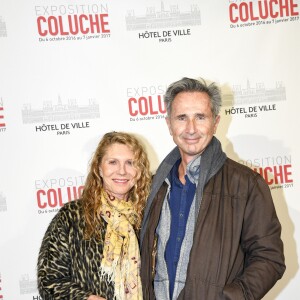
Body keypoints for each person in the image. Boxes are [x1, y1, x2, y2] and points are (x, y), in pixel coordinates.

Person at [140, 77, 285, 300]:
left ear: (215, 122)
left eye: (200, 117)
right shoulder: (154, 186)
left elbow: (269, 258)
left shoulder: (246, 185)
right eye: (181, 118)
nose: (191, 128)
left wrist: (230, 298)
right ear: (169, 124)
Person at [37, 131, 151, 300]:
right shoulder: (71, 217)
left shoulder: (149, 216)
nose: (122, 171)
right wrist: (87, 298)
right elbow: (49, 281)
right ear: (99, 168)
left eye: (130, 163)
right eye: (113, 162)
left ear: (139, 171)